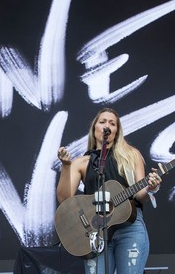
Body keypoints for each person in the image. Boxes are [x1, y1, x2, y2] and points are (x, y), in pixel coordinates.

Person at [56, 108, 162, 274]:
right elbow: (64, 199)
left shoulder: (131, 155)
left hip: (130, 228)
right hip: (94, 231)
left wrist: (150, 188)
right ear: (94, 128)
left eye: (112, 123)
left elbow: (139, 196)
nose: (107, 125)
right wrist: (66, 166)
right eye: (103, 121)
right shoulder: (82, 162)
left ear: (117, 131)